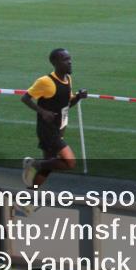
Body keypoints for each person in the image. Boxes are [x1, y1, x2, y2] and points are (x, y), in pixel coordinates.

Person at [21, 48, 87, 194]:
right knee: (70, 163)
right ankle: (33, 164)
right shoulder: (45, 82)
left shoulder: (68, 79)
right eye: (65, 59)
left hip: (58, 128)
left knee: (48, 166)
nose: (69, 62)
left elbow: (66, 104)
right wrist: (42, 112)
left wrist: (78, 97)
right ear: (55, 63)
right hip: (48, 130)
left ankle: (28, 197)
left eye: (69, 58)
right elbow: (25, 98)